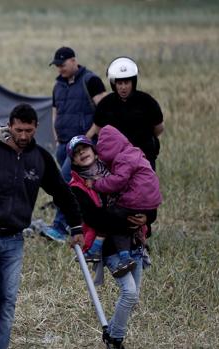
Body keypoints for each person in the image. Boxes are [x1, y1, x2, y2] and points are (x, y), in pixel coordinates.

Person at [0, 103, 85, 349]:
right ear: (10, 126)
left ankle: (0, 345)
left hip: (14, 237)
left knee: (9, 297)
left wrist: (76, 226)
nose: (23, 136)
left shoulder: (40, 158)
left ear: (36, 128)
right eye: (18, 130)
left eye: (29, 130)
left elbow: (62, 192)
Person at [67, 135, 154, 349]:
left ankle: (111, 335)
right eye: (76, 153)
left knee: (133, 299)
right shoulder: (77, 187)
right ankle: (116, 339)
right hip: (110, 248)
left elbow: (143, 196)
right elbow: (96, 218)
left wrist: (147, 218)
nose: (82, 154)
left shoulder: (117, 171)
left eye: (85, 149)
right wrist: (127, 219)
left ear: (95, 151)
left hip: (134, 243)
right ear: (74, 161)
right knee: (129, 292)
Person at [48, 46, 107, 242]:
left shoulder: (91, 81)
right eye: (57, 66)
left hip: (81, 146)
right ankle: (75, 222)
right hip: (63, 143)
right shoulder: (58, 85)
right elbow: (56, 110)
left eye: (62, 65)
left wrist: (89, 137)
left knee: (64, 184)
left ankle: (59, 227)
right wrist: (56, 135)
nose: (60, 69)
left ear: (74, 61)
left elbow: (105, 110)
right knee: (73, 185)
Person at [84, 126, 161, 276]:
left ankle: (98, 250)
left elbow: (118, 182)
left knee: (111, 217)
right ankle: (125, 257)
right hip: (150, 202)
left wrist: (96, 184)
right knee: (124, 222)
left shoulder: (123, 158)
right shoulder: (135, 153)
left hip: (135, 200)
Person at [93, 56, 164, 170]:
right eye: (119, 83)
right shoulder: (105, 104)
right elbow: (98, 130)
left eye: (127, 83)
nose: (123, 87)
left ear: (133, 82)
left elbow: (159, 128)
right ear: (113, 84)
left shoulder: (147, 101)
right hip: (115, 160)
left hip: (144, 158)